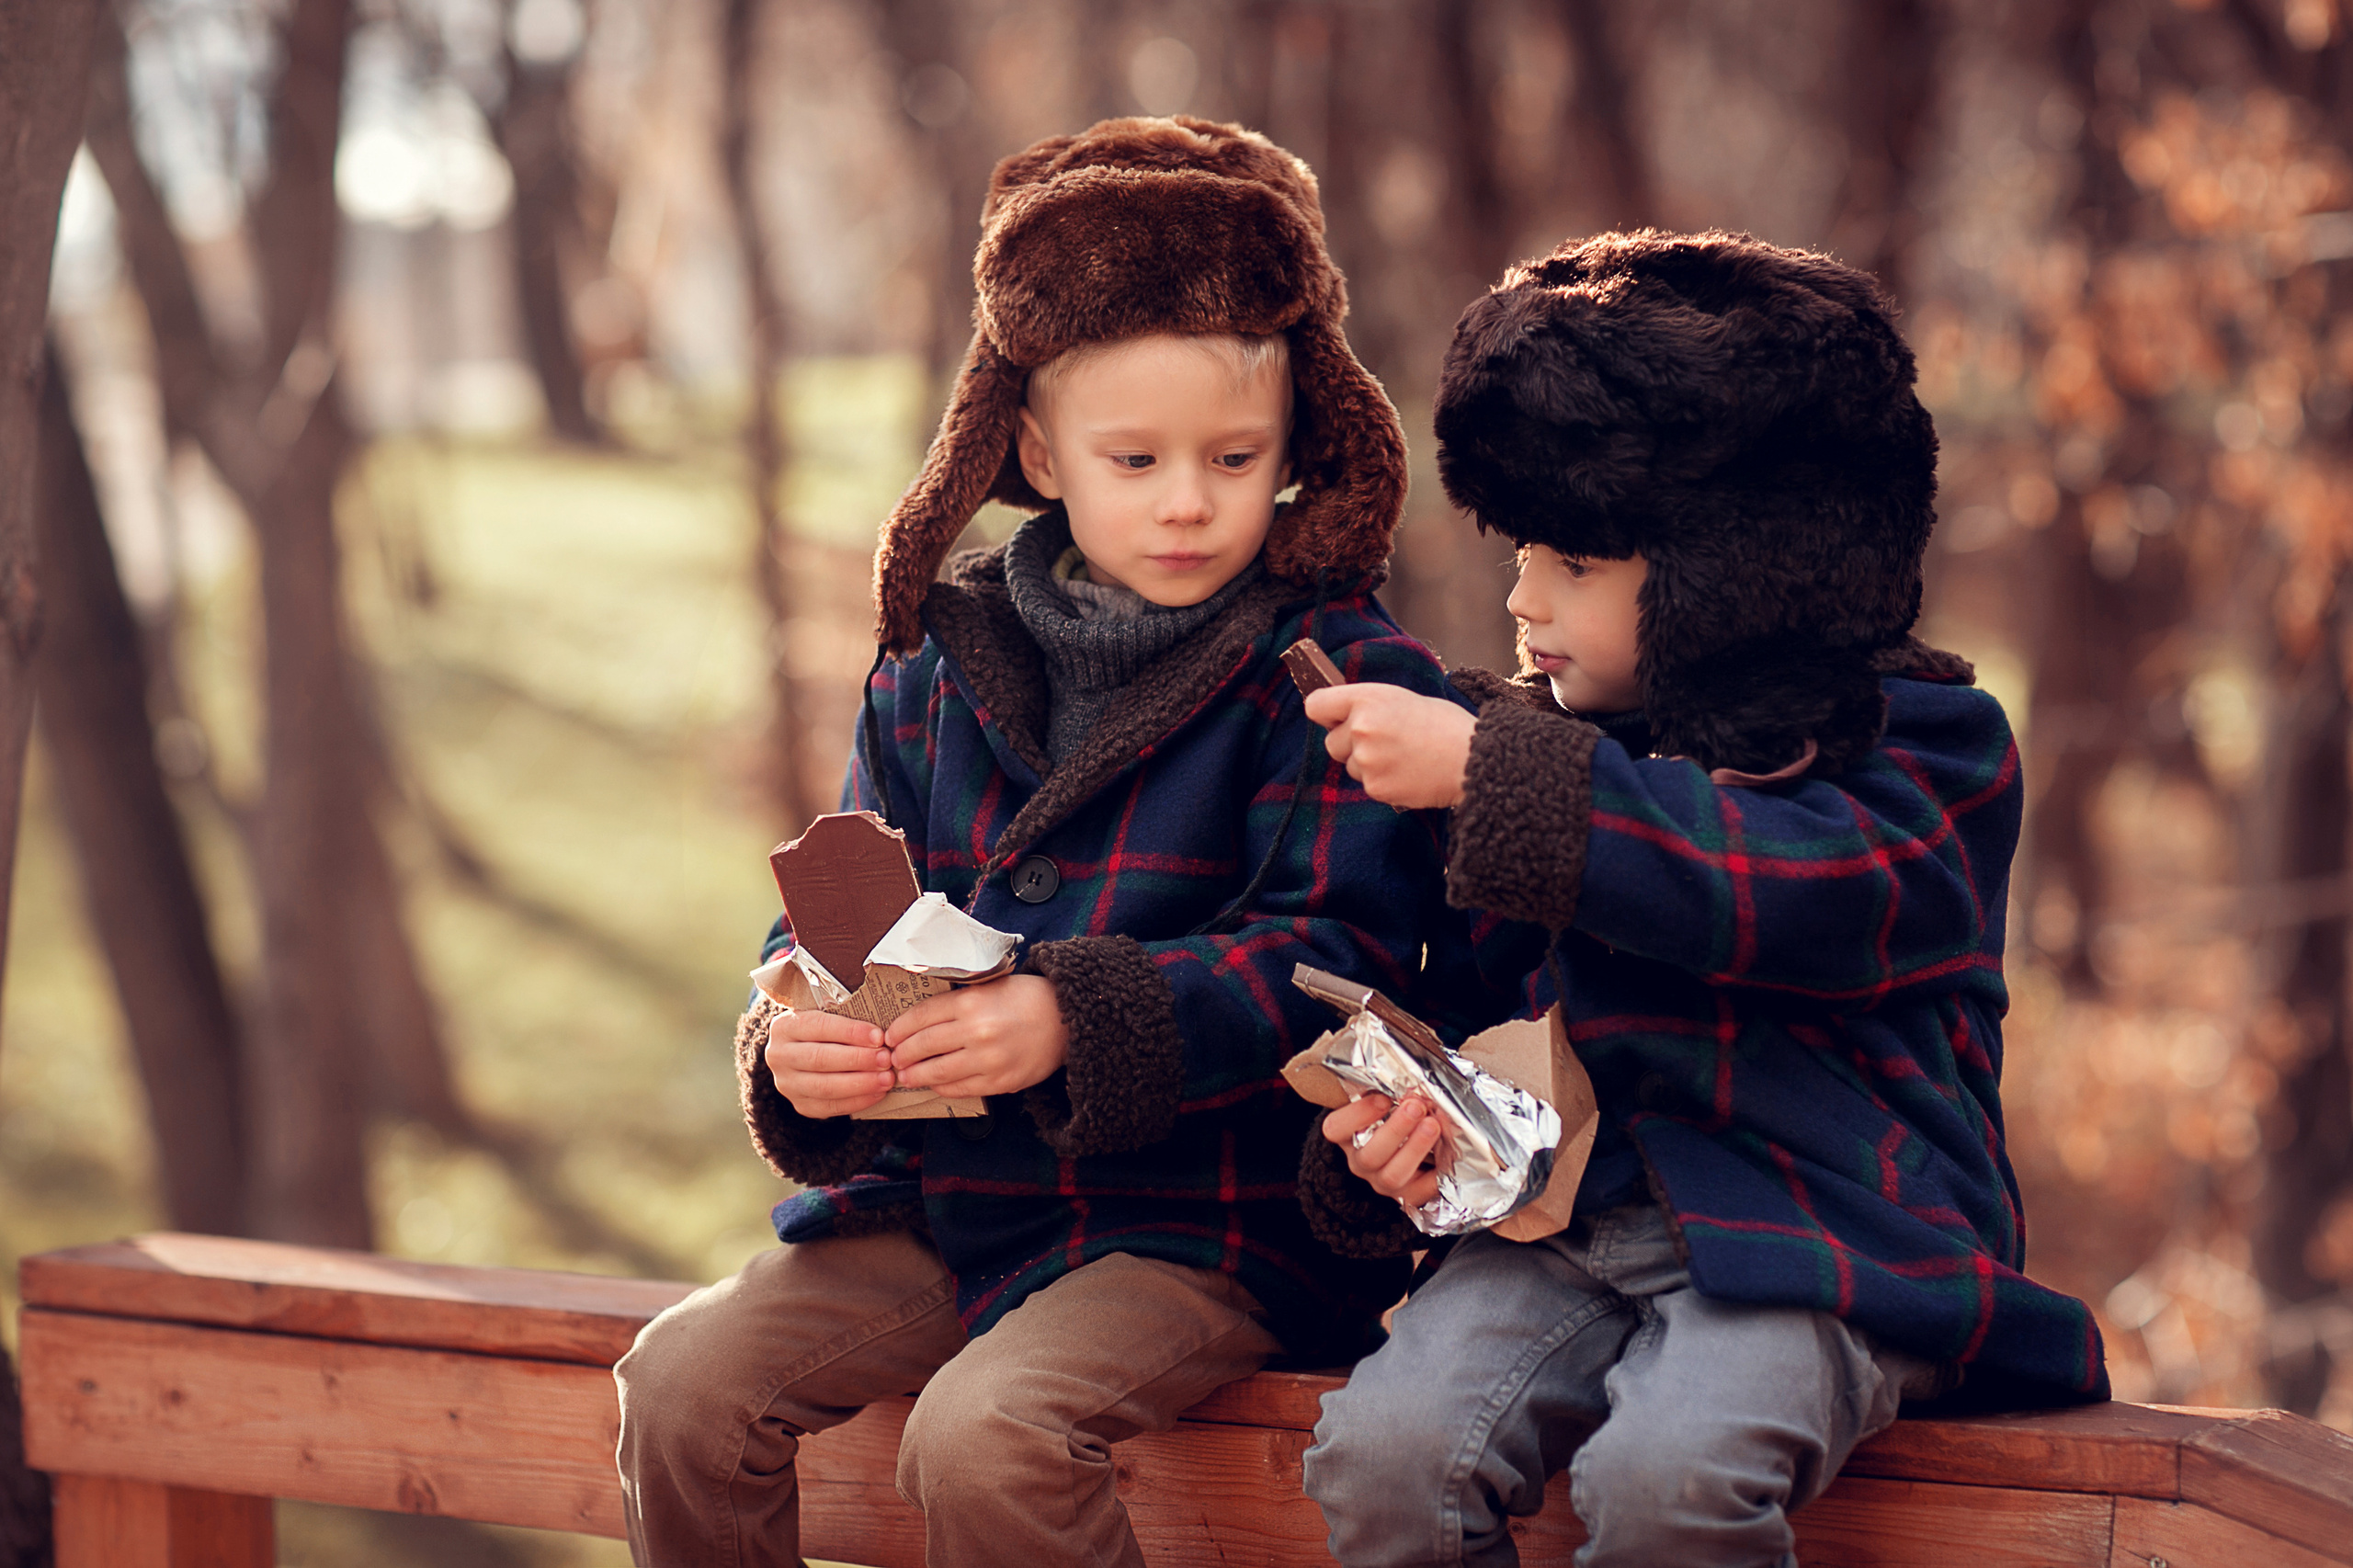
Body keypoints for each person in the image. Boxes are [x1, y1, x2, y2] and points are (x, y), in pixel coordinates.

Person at [615, 115, 1450, 1568]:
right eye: (1136, 458)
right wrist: (801, 1035)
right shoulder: (937, 662)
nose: (1188, 498)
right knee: (680, 1386)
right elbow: (842, 907)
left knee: (982, 1435)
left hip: (1206, 1222)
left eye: (1235, 456)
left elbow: (1335, 958)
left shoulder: (1329, 673)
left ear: (1299, 446)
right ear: (1037, 455)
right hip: (949, 1202)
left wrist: (1079, 1015)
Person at [1292, 231, 2109, 1568]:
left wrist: (1500, 775)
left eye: (1573, 562)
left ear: (1732, 567)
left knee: (1671, 1480)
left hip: (1831, 1234)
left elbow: (1784, 893)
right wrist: (1406, 1133)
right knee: (1384, 1455)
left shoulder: (1929, 745)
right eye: (1522, 552)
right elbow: (1485, 1010)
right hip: (1569, 1226)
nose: (1519, 594)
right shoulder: (1553, 739)